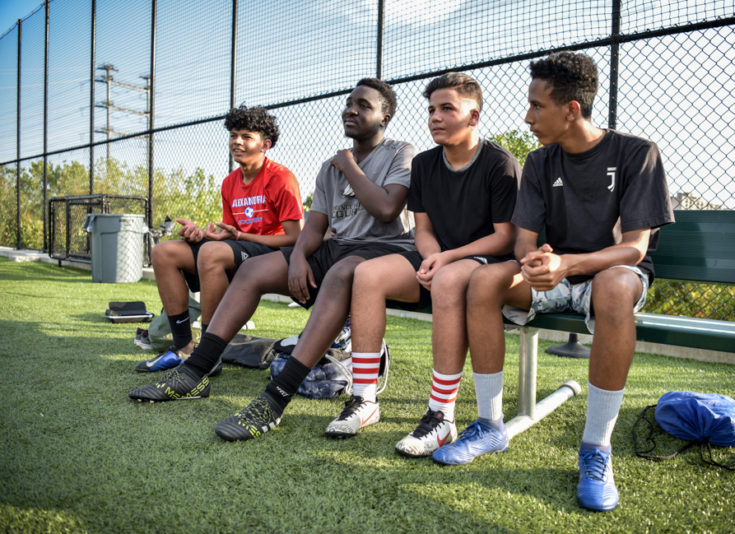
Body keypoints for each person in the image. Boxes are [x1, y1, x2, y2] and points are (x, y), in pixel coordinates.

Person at [443, 52, 674, 512]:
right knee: (485, 281)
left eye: (536, 106)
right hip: (557, 274)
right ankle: (490, 426)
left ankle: (595, 449)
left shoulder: (636, 152)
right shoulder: (540, 161)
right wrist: (535, 261)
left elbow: (635, 248)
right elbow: (524, 242)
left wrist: (568, 263)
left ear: (571, 109)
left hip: (614, 275)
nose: (526, 117)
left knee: (612, 286)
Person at [129, 78, 417, 443]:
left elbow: (388, 209)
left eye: (363, 104)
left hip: (382, 250)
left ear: (385, 116)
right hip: (336, 247)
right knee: (252, 269)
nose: (351, 109)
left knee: (341, 275)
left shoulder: (399, 152)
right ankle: (196, 368)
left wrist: (349, 165)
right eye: (348, 103)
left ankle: (275, 398)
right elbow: (313, 227)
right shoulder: (330, 167)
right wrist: (297, 259)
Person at [323, 72, 521, 452]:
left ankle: (441, 415)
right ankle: (364, 399)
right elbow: (423, 228)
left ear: (474, 116)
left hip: (484, 261)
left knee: (447, 280)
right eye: (431, 109)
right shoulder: (426, 164)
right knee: (367, 274)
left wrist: (444, 260)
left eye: (448, 108)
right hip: (436, 258)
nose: (435, 117)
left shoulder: (499, 163)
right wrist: (433, 257)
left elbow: (504, 237)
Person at [135, 105, 303, 373]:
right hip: (240, 248)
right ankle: (183, 349)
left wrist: (237, 237)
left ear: (265, 144)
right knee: (164, 253)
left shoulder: (281, 178)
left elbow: (295, 237)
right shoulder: (229, 182)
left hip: (273, 255)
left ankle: (208, 354)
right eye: (234, 135)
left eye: (247, 136)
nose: (237, 141)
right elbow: (230, 234)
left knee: (212, 253)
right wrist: (202, 234)